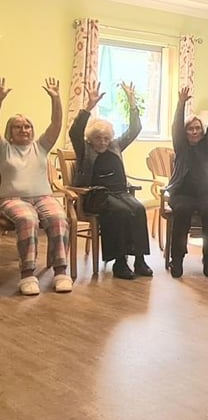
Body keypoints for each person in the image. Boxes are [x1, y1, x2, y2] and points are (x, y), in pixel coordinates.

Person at [68, 80, 152, 280]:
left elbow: (134, 130)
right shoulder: (84, 149)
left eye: (106, 138)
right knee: (121, 211)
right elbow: (74, 132)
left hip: (120, 192)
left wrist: (132, 103)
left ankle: (139, 260)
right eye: (99, 138)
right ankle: (120, 263)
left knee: (139, 209)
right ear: (91, 139)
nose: (103, 142)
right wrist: (89, 106)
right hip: (95, 195)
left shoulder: (115, 146)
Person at [0, 76, 72, 296]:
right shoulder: (5, 149)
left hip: (43, 197)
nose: (24, 130)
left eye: (28, 126)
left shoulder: (40, 146)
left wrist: (56, 99)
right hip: (12, 199)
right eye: (18, 127)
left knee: (59, 218)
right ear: (10, 132)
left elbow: (57, 124)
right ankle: (28, 275)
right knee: (27, 219)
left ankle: (61, 273)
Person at [166, 86, 208, 278]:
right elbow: (176, 126)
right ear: (186, 132)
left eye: (197, 128)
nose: (194, 131)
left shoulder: (207, 145)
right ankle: (177, 260)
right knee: (182, 212)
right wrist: (181, 103)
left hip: (206, 194)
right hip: (182, 193)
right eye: (190, 129)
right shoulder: (181, 146)